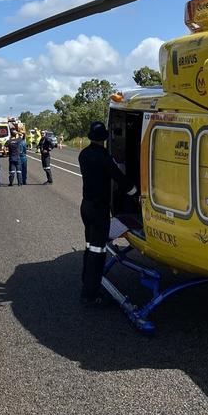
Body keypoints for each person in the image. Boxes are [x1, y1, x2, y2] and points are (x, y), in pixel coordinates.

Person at [78, 120, 130, 306]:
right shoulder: (103, 156)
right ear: (104, 138)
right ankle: (91, 294)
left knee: (89, 246)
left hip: (86, 206)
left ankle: (86, 281)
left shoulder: (84, 154)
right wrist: (133, 191)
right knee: (98, 251)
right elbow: (118, 177)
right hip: (99, 208)